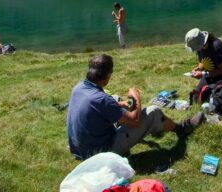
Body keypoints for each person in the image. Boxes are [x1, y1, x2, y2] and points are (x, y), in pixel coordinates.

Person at [67, 54, 204, 160]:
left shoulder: (78, 87)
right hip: (100, 154)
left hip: (80, 151)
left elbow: (97, 106)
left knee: (114, 98)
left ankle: (163, 127)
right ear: (107, 75)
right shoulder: (101, 99)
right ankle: (181, 129)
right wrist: (136, 97)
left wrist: (118, 104)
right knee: (153, 112)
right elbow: (135, 121)